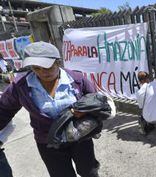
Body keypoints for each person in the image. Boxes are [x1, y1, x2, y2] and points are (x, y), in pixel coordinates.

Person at [0, 41, 100, 177]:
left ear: (58, 62)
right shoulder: (21, 86)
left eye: (47, 67)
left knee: (88, 171)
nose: (42, 72)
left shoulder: (77, 79)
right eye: (36, 68)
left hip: (80, 137)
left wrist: (84, 111)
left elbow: (96, 101)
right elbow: (4, 109)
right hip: (48, 142)